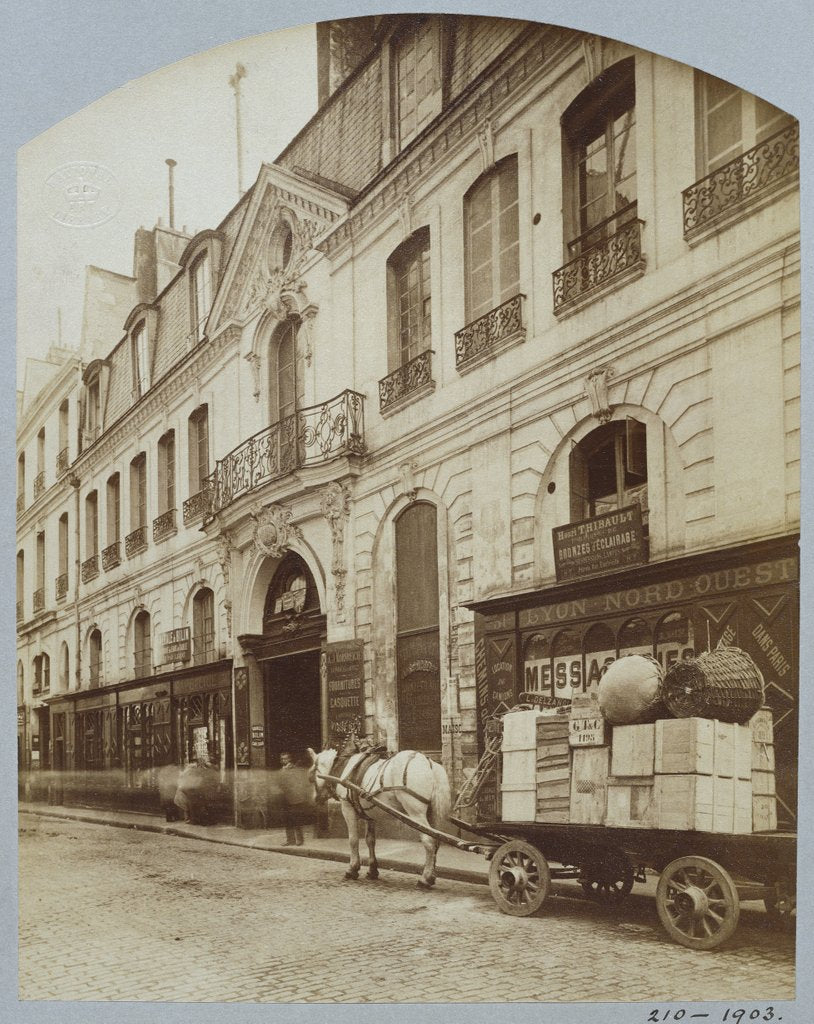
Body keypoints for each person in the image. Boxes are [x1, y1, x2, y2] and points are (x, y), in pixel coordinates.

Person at [279, 751, 312, 846]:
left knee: (296, 819)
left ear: (289, 759)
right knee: (287, 820)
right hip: (285, 798)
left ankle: (299, 840)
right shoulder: (282, 770)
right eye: (282, 759)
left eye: (285, 758)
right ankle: (290, 840)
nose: (283, 760)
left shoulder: (294, 769)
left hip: (295, 799)